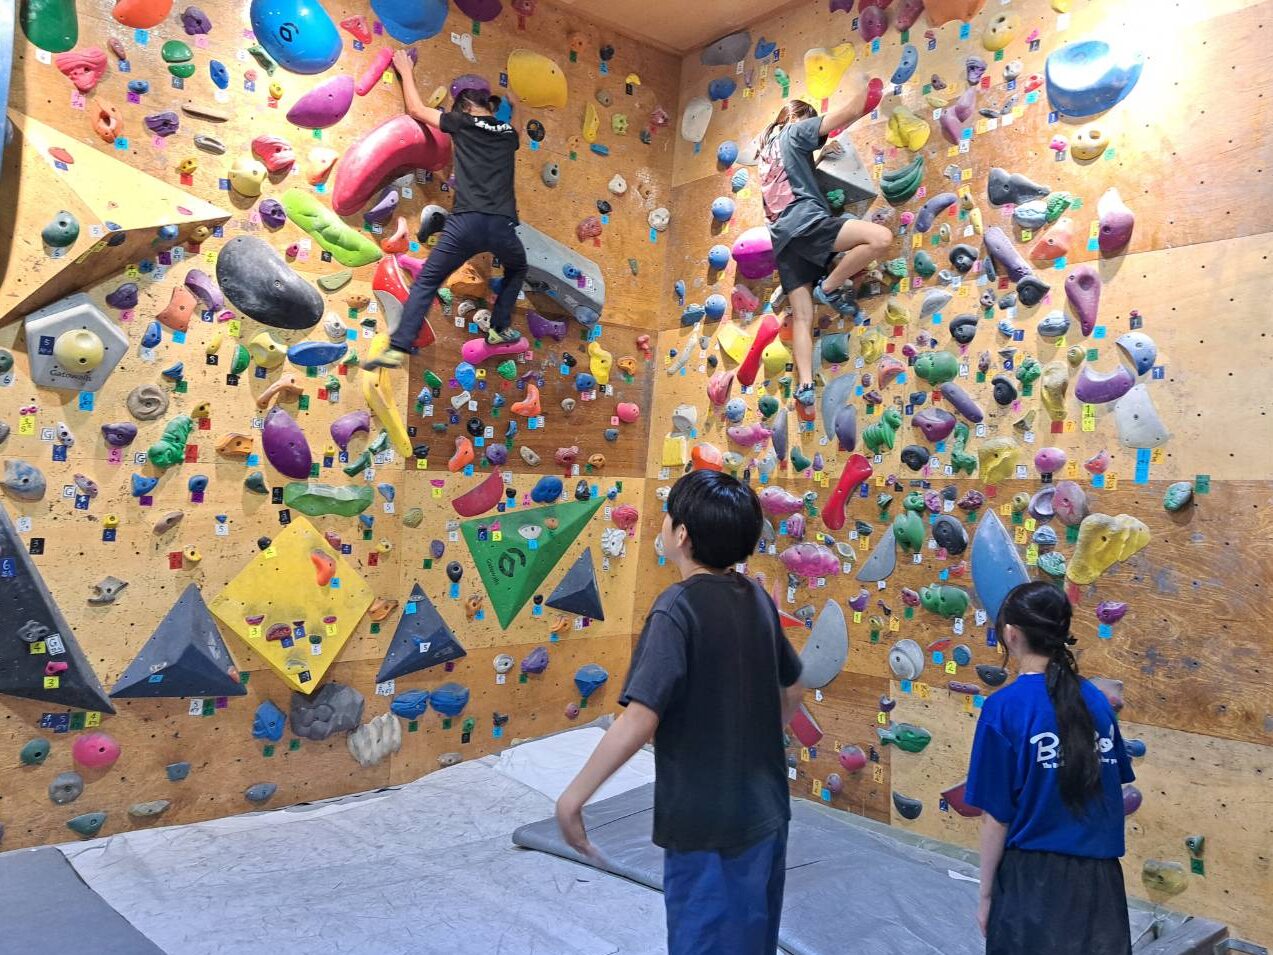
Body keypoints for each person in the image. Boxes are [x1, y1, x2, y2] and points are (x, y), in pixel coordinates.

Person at [555, 470, 805, 955]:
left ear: (682, 534)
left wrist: (572, 798)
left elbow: (639, 718)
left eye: (668, 518)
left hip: (707, 824)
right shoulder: (756, 597)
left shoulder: (676, 608)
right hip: (768, 811)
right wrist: (751, 740)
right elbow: (793, 687)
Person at [965, 582, 1135, 955]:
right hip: (1102, 888)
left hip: (1034, 887)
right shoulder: (1097, 702)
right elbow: (1112, 788)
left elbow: (996, 818)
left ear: (1011, 634)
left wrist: (986, 895)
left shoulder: (1004, 709)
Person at [364, 50, 528, 371]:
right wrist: (516, 104)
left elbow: (416, 109)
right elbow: (518, 130)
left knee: (427, 280)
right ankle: (497, 327)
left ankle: (399, 346)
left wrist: (405, 70)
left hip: (466, 223)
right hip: (501, 227)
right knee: (517, 268)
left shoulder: (462, 122)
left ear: (465, 107)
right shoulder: (506, 133)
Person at [756, 85, 893, 406]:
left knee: (802, 317)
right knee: (880, 238)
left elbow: (791, 177)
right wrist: (868, 85)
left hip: (783, 242)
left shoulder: (766, 152)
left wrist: (818, 158)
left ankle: (805, 386)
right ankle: (829, 288)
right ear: (802, 118)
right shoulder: (795, 130)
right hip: (806, 224)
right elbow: (849, 111)